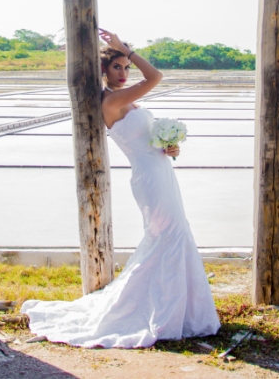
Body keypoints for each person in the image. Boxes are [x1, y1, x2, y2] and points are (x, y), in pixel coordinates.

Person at [20, 29, 220, 348]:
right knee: (168, 236)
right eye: (118, 67)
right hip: (149, 179)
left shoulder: (126, 100)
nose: (124, 73)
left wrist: (171, 149)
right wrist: (125, 48)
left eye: (127, 67)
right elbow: (155, 76)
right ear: (103, 70)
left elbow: (148, 139)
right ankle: (158, 310)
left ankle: (178, 309)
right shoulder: (112, 100)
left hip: (162, 172)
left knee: (174, 235)